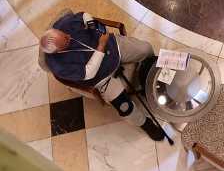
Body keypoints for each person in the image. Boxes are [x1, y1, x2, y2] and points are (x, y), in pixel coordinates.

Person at [38, 10, 165, 142]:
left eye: (64, 34)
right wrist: (101, 45)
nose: (69, 36)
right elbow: (89, 73)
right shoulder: (59, 66)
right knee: (124, 107)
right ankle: (146, 124)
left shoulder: (63, 25)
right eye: (65, 40)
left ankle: (148, 76)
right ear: (58, 51)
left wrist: (91, 25)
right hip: (102, 78)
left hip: (114, 47)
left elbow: (84, 15)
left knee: (146, 48)